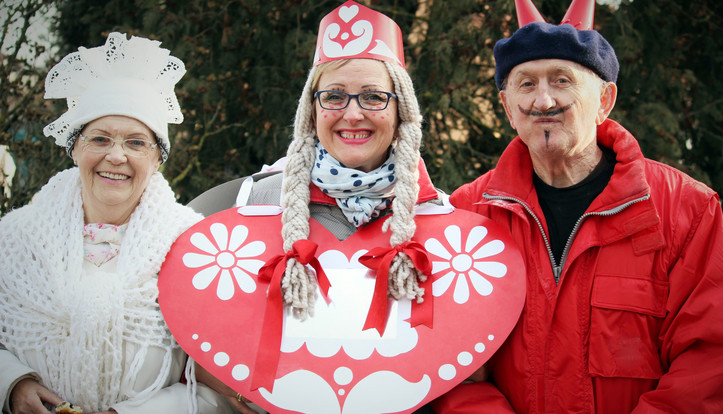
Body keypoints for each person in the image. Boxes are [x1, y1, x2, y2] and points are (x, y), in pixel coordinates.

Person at [433, 0, 723, 412]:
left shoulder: (687, 209)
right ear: (508, 108)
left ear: (604, 100)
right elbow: (454, 363)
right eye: (526, 84)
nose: (543, 102)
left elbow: (704, 360)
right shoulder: (467, 214)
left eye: (562, 81)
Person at [187, 2, 450, 413]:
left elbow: (459, 363)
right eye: (334, 96)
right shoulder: (244, 206)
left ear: (402, 110)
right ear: (311, 110)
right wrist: (245, 396)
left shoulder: (443, 223)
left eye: (374, 96)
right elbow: (181, 333)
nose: (353, 113)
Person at [0, 32, 235, 414]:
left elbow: (217, 382)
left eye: (136, 143)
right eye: (100, 139)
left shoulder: (197, 248)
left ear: (158, 157)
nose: (116, 156)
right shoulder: (13, 240)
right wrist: (13, 385)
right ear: (75, 148)